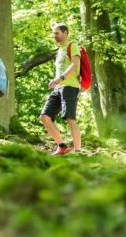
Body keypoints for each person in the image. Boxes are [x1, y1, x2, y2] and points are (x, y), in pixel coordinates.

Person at [39, 23, 82, 154]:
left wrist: (60, 78)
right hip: (58, 87)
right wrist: (56, 81)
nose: (54, 36)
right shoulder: (59, 50)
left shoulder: (72, 46)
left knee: (70, 118)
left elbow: (74, 65)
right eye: (54, 33)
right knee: (44, 117)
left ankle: (78, 151)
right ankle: (62, 146)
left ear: (65, 33)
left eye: (57, 33)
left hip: (70, 86)